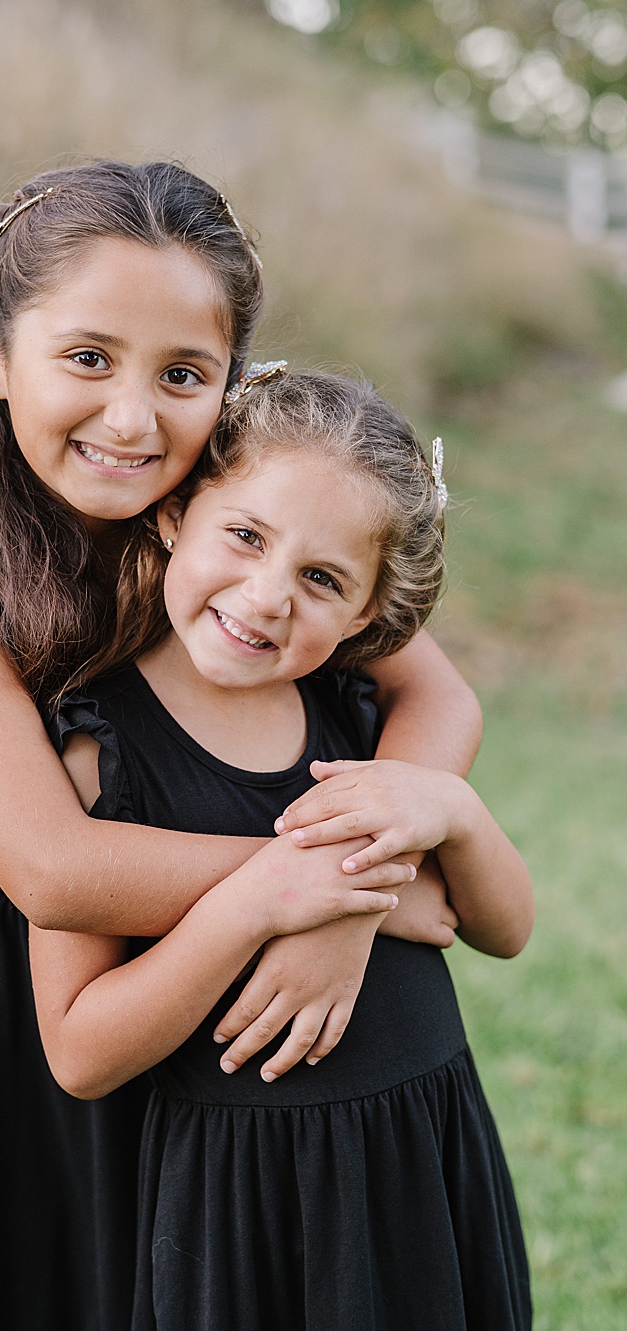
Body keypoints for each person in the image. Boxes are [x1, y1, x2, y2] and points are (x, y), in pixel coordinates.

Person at [0, 161, 482, 1331]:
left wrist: (352, 889)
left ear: (231, 384)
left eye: (180, 375)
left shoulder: (232, 523)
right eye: (88, 357)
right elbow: (53, 868)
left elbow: (440, 695)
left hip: (178, 977)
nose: (132, 419)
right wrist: (315, 884)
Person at [32, 370, 531, 1328]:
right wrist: (263, 900)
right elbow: (80, 1052)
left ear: (367, 617)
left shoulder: (360, 720)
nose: (266, 598)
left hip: (421, 1157)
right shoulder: (105, 752)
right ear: (175, 513)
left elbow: (505, 931)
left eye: (322, 579)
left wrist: (456, 811)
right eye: (246, 536)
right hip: (239, 1204)